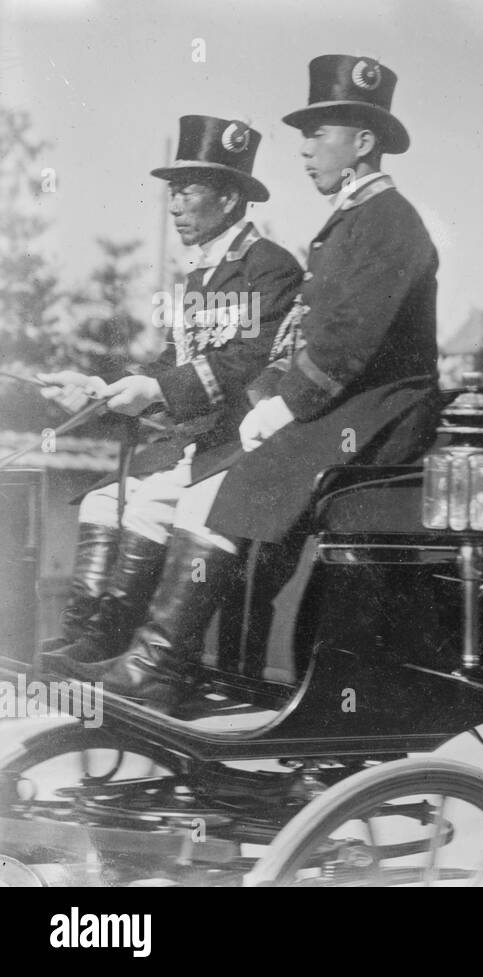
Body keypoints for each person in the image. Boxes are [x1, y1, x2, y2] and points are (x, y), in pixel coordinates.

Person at [68, 55, 439, 711]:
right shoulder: (350, 222)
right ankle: (156, 662)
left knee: (216, 492)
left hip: (380, 415)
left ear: (363, 141)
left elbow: (348, 339)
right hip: (343, 407)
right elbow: (300, 336)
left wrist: (283, 403)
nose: (303, 148)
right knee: (201, 487)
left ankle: (160, 666)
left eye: (318, 133)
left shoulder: (388, 220)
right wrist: (270, 390)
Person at [39, 115, 301, 674]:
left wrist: (154, 388)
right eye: (172, 193)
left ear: (229, 199)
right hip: (203, 447)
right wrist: (102, 390)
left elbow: (243, 364)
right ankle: (97, 640)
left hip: (244, 448)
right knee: (105, 503)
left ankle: (156, 667)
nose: (175, 206)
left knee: (150, 506)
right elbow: (175, 362)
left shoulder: (270, 267)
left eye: (188, 192)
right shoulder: (203, 274)